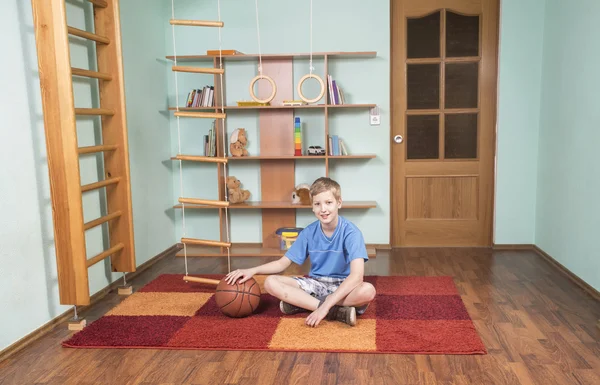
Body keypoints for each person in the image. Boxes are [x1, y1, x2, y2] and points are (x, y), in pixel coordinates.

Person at [225, 177, 376, 327]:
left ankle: (304, 303)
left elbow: (356, 276)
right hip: (316, 283)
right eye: (317, 204)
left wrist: (325, 305)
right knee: (271, 282)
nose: (323, 209)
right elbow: (281, 263)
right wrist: (252, 270)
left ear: (339, 203)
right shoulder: (308, 232)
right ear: (312, 207)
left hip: (344, 285)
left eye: (328, 203)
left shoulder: (352, 233)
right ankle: (336, 312)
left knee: (368, 291)